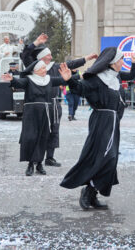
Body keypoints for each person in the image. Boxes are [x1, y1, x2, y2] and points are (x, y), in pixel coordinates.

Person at [59, 47, 124, 210]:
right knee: (105, 157)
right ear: (113, 62)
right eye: (121, 59)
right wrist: (69, 80)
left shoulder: (115, 79)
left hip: (113, 122)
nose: (123, 62)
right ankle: (88, 191)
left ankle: (93, 193)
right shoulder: (98, 79)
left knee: (110, 159)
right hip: (101, 121)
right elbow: (81, 88)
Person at [21, 33, 97, 167]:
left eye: (50, 55)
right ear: (40, 57)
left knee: (54, 130)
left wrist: (87, 58)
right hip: (40, 104)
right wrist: (37, 42)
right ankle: (34, 160)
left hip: (55, 104)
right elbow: (25, 55)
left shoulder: (55, 67)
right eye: (48, 55)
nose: (51, 57)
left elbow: (71, 63)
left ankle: (49, 157)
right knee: (38, 132)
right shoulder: (34, 67)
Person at [2, 60, 66, 176]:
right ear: (35, 70)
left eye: (45, 68)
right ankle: (30, 164)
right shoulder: (29, 80)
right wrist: (12, 80)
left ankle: (39, 164)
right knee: (30, 137)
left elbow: (62, 80)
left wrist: (71, 76)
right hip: (31, 113)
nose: (45, 70)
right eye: (42, 68)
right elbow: (19, 82)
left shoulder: (49, 79)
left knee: (43, 137)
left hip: (45, 113)